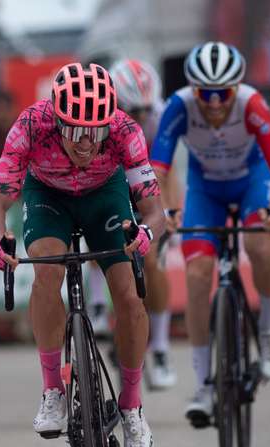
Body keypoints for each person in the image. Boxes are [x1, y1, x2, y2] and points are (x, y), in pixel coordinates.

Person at [0, 62, 165, 447]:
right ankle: (52, 391)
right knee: (46, 274)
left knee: (129, 297)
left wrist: (146, 234)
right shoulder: (31, 125)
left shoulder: (125, 130)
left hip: (106, 196)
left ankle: (132, 407)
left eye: (95, 131)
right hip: (49, 196)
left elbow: (154, 209)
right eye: (75, 130)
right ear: (57, 120)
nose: (85, 141)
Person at [150, 41, 270, 427]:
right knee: (198, 276)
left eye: (223, 93)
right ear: (193, 90)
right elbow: (157, 171)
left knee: (259, 243)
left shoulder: (251, 104)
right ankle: (203, 385)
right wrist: (166, 211)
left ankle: (268, 328)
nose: (214, 102)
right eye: (206, 93)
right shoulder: (178, 107)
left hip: (253, 182)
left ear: (236, 89)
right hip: (205, 189)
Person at [99, 57, 181, 390]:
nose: (141, 118)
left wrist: (171, 213)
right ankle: (97, 306)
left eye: (146, 111)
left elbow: (167, 172)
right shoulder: (101, 116)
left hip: (148, 182)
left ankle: (160, 346)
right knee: (98, 233)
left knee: (152, 258)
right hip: (111, 182)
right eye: (134, 111)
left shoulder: (159, 118)